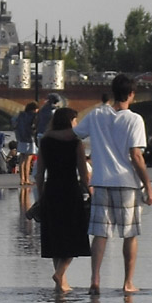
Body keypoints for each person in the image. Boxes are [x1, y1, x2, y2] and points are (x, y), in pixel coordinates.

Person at [45, 74, 152, 294]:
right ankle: (128, 283)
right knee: (130, 234)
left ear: (113, 92)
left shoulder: (96, 115)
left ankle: (95, 280)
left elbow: (72, 134)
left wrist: (47, 135)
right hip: (126, 184)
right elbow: (136, 155)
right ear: (132, 94)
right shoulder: (134, 120)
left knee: (100, 234)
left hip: (101, 182)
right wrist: (148, 187)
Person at [34, 107, 91, 292]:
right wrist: (90, 192)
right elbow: (84, 175)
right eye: (75, 120)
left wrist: (41, 195)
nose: (77, 124)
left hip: (51, 190)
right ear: (69, 121)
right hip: (70, 191)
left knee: (55, 237)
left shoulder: (45, 141)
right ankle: (60, 274)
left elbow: (39, 173)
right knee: (74, 236)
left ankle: (62, 283)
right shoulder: (76, 142)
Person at [14, 102, 38, 184]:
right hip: (30, 139)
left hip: (21, 138)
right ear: (34, 109)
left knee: (22, 160)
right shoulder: (34, 115)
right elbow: (35, 126)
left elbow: (15, 123)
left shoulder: (21, 115)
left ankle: (22, 179)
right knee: (28, 160)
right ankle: (27, 179)